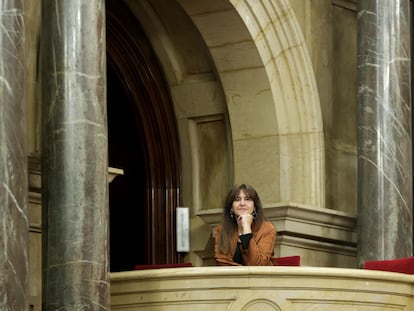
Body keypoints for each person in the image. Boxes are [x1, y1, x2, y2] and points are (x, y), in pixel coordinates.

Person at [214, 183, 276, 266]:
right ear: (231, 206)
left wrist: (246, 228)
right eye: (237, 199)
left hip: (260, 278)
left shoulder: (267, 228)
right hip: (231, 278)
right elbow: (222, 262)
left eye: (247, 199)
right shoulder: (221, 229)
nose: (242, 203)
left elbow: (258, 265)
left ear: (254, 206)